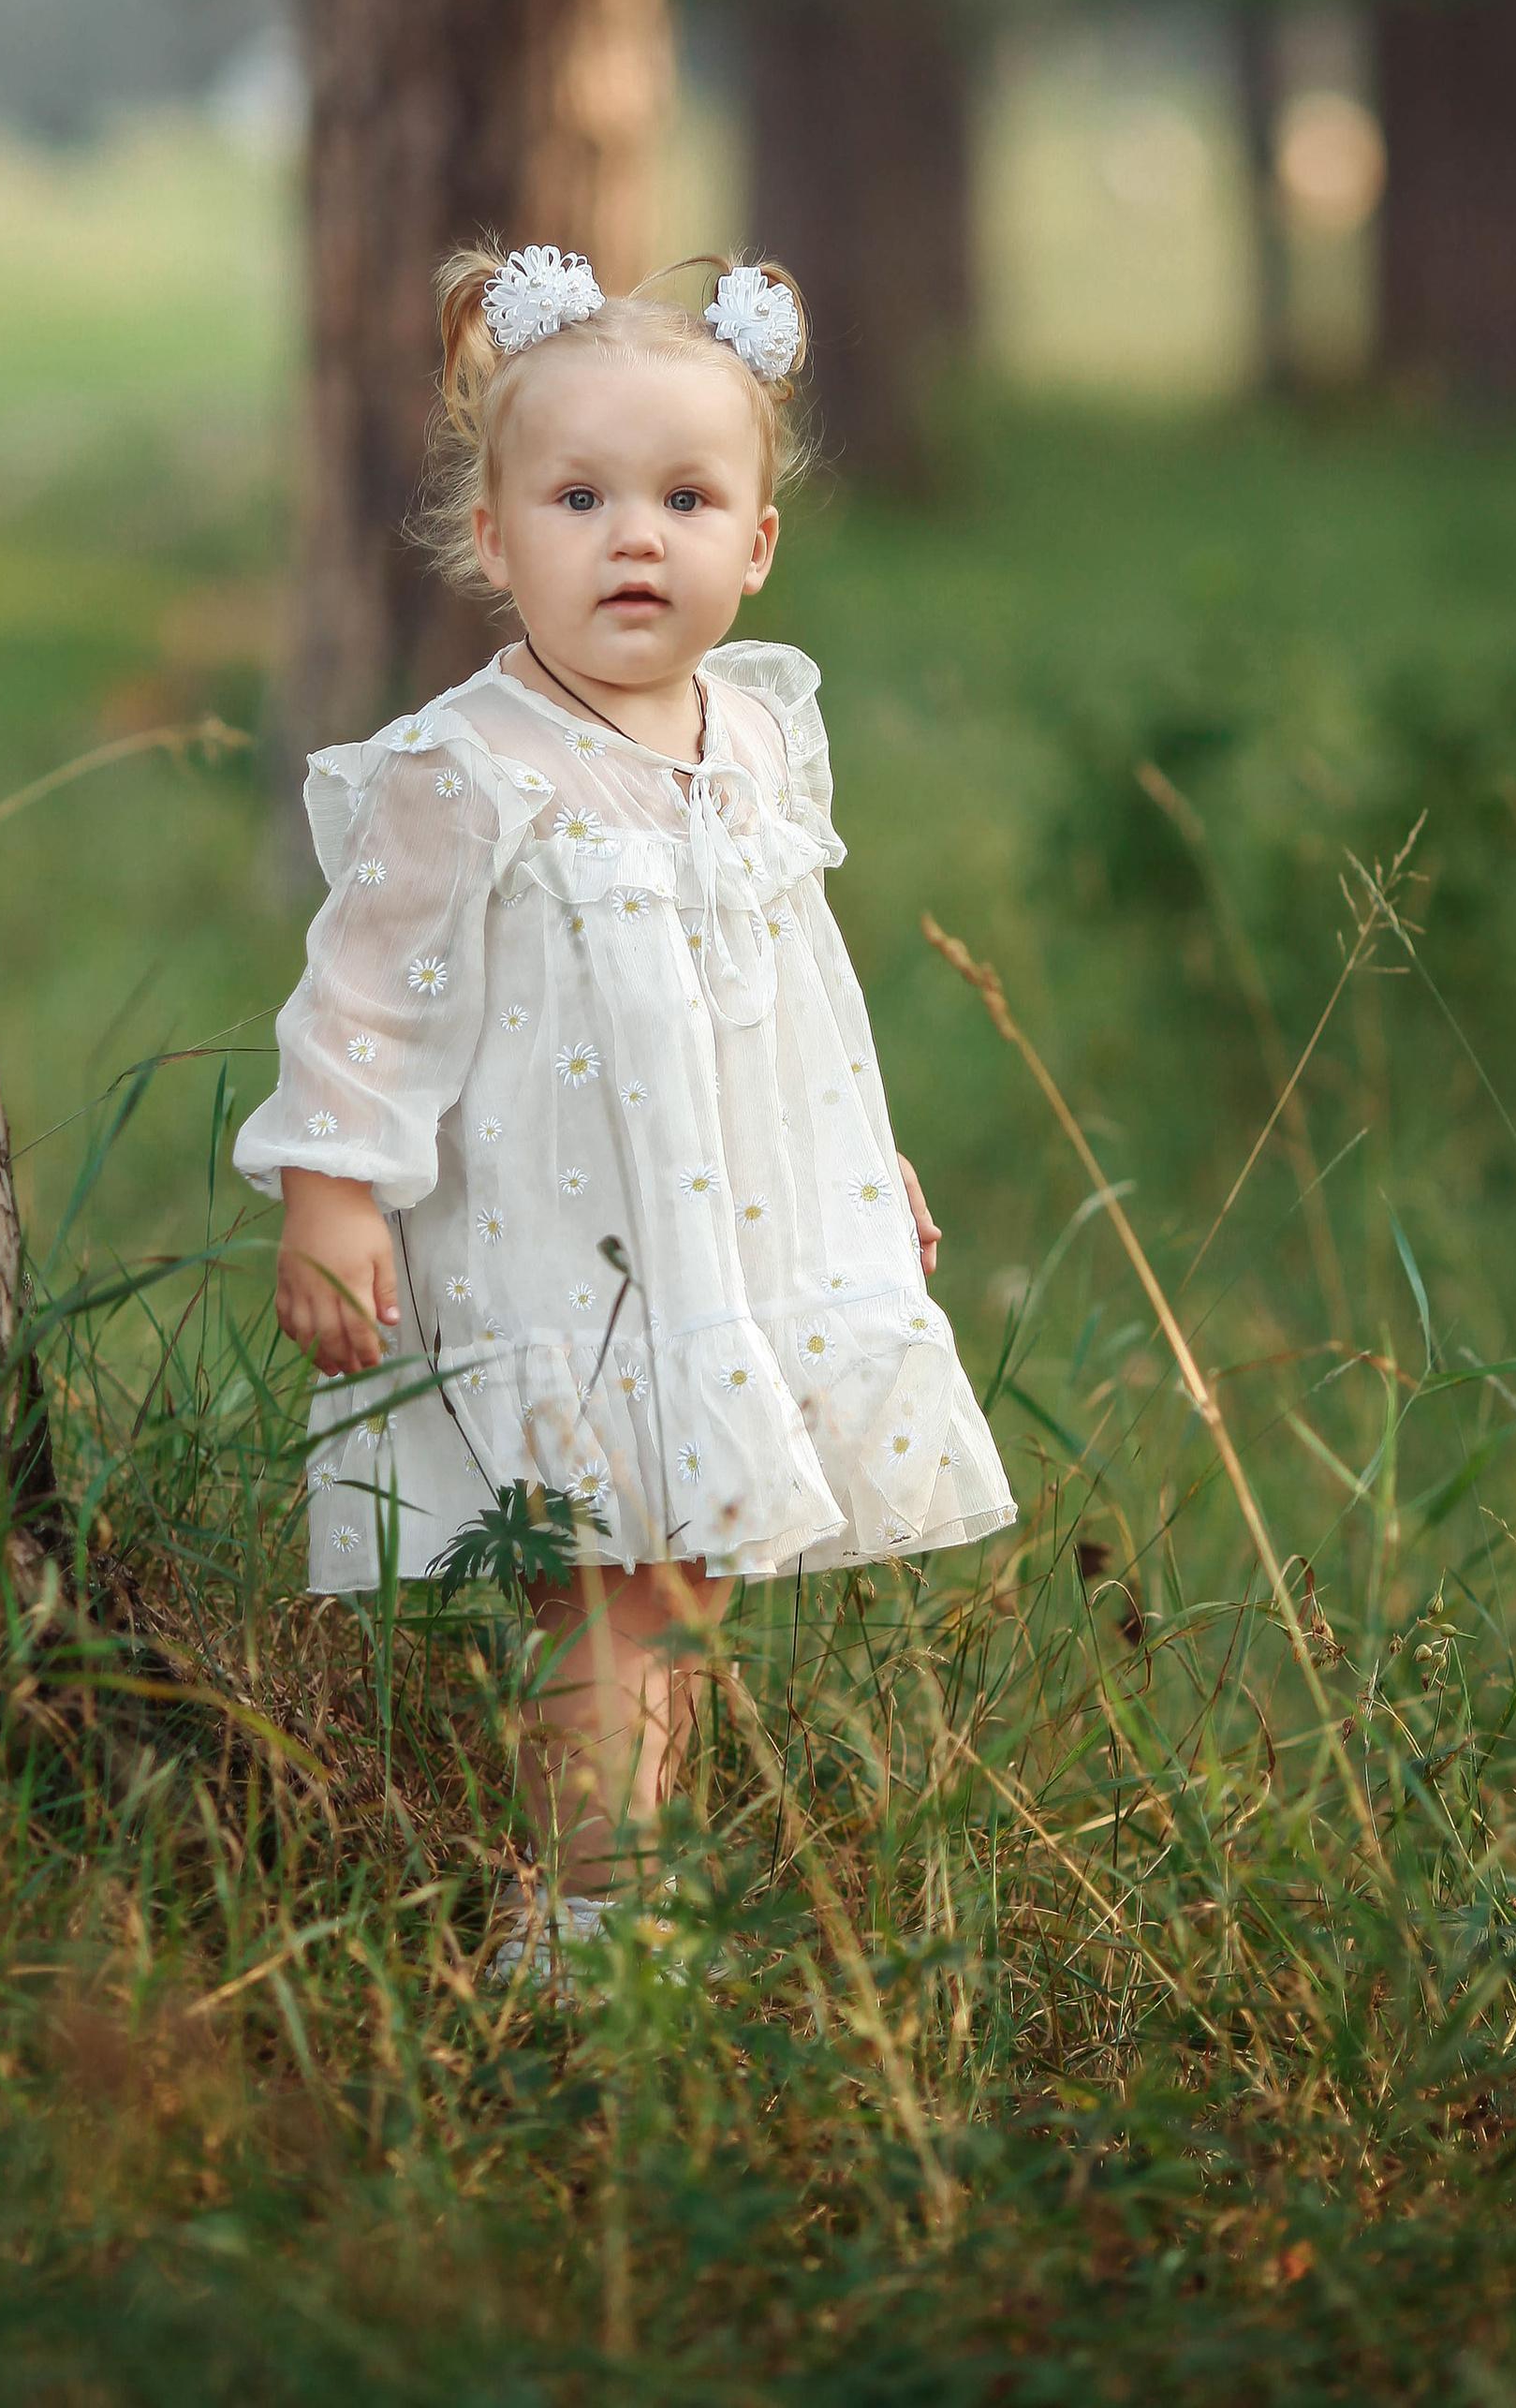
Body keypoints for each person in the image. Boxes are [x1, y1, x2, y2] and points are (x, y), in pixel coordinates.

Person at [237, 243, 1013, 1963]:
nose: (634, 537)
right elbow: (365, 991)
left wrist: (857, 1158)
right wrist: (331, 1190)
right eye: (580, 498)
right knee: (623, 1593)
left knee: (680, 1588)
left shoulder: (750, 738)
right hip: (568, 1255)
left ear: (758, 542)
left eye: (683, 497)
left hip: (729, 1237)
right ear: (496, 539)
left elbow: (790, 985)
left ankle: (619, 1882)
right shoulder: (474, 766)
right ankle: (592, 1921)